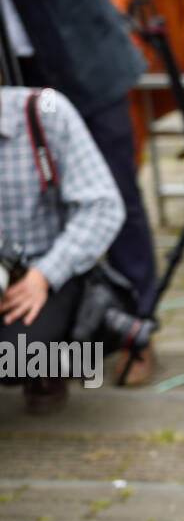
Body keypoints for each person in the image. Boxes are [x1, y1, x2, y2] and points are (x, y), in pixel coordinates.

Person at [0, 0, 157, 385]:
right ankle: (50, 342)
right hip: (17, 74)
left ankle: (138, 327)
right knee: (37, 201)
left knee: (115, 194)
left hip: (85, 64)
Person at [0, 85, 125, 414]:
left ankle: (52, 367)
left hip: (42, 268)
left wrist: (44, 275)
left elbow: (104, 206)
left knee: (17, 357)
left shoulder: (45, 112)